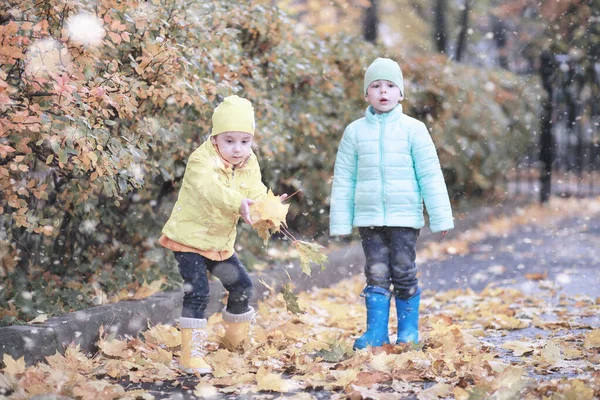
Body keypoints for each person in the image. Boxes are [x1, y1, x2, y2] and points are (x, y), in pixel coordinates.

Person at [329, 58, 454, 350]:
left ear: (401, 94)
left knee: (403, 271)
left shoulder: (414, 129)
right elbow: (344, 178)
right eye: (376, 86)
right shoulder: (355, 132)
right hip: (369, 218)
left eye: (390, 86)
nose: (383, 92)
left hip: (404, 218)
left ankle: (408, 333)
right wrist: (340, 221)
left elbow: (430, 175)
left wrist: (441, 217)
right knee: (375, 272)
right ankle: (376, 333)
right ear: (366, 95)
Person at [159, 95, 282, 374]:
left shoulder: (249, 162)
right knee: (199, 291)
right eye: (229, 141)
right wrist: (238, 203)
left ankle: (234, 343)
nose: (238, 149)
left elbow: (255, 191)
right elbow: (210, 189)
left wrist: (268, 209)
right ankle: (191, 355)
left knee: (242, 286)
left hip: (219, 244)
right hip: (189, 240)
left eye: (244, 141)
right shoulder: (201, 160)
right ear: (215, 139)